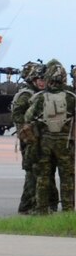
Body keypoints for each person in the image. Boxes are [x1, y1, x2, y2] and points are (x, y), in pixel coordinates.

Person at [25, 60, 76, 214]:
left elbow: (29, 116)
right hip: (65, 143)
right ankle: (68, 210)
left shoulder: (40, 97)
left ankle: (42, 210)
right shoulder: (71, 97)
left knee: (43, 176)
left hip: (45, 142)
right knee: (67, 177)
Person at [11, 62, 50, 213]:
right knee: (32, 172)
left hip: (38, 138)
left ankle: (33, 204)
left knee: (37, 171)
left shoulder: (40, 94)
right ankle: (26, 206)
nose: (42, 82)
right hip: (29, 140)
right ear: (33, 79)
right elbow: (17, 115)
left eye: (44, 79)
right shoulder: (27, 94)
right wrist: (27, 131)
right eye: (39, 79)